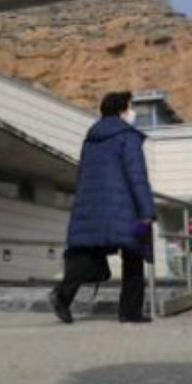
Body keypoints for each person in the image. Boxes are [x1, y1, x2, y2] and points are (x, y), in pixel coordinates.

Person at [49, 91, 157, 324]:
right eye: (130, 108)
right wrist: (146, 211)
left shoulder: (92, 139)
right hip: (126, 208)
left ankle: (62, 295)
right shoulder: (127, 136)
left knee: (90, 252)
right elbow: (136, 176)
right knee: (134, 254)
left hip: (95, 208)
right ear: (122, 110)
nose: (132, 113)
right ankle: (130, 312)